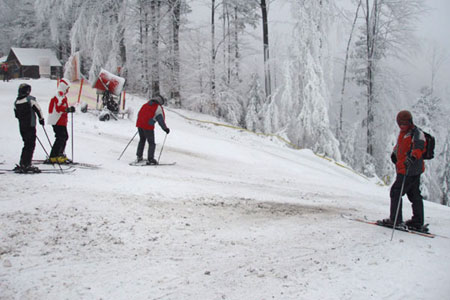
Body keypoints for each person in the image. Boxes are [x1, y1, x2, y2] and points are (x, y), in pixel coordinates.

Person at [380, 110, 427, 232]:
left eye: (405, 123)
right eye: (400, 123)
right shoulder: (404, 133)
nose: (402, 125)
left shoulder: (417, 133)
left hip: (409, 170)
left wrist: (412, 157)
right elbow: (400, 146)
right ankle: (417, 222)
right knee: (414, 194)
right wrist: (394, 153)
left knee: (396, 192)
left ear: (410, 122)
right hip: (405, 169)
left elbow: (419, 147)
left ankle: (395, 220)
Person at [13, 83, 45, 173]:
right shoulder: (30, 99)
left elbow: (16, 115)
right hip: (30, 125)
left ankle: (23, 162)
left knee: (26, 144)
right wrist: (41, 119)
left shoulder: (16, 102)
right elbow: (38, 109)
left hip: (22, 126)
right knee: (31, 144)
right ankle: (26, 164)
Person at [135, 94, 170, 165]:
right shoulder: (157, 107)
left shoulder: (145, 105)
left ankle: (139, 156)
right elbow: (161, 120)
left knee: (142, 140)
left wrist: (141, 122)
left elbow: (139, 114)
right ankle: (150, 159)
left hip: (140, 125)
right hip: (148, 127)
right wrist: (165, 129)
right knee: (151, 143)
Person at [47, 78, 75, 164]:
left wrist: (68, 109)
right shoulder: (58, 95)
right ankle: (56, 155)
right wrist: (67, 109)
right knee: (61, 137)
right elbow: (59, 108)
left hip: (61, 120)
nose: (68, 90)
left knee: (63, 137)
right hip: (57, 120)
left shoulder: (62, 95)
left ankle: (57, 154)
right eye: (67, 88)